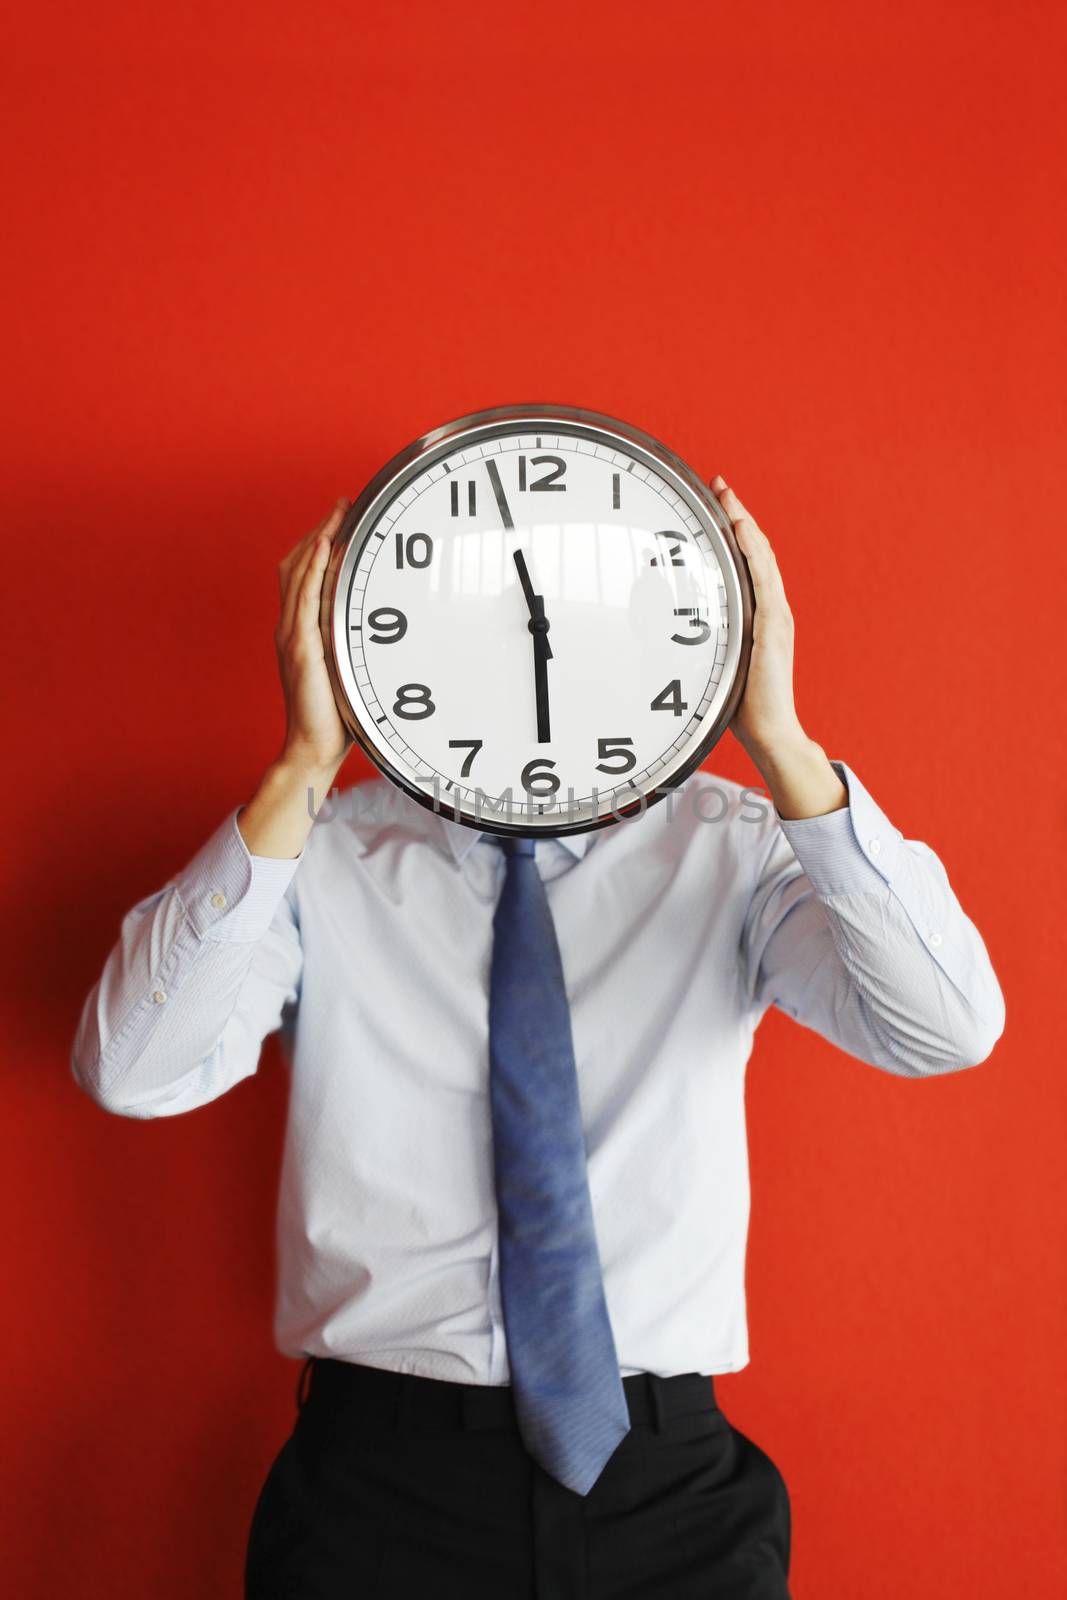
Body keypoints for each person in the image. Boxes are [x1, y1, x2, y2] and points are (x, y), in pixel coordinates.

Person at [71, 476, 1005, 1599]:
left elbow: (943, 1026)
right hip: (379, 1485)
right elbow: (132, 1067)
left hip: (668, 1484)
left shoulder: (734, 847)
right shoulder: (319, 858)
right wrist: (301, 769)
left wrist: (781, 741)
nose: (537, 650)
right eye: (500, 620)